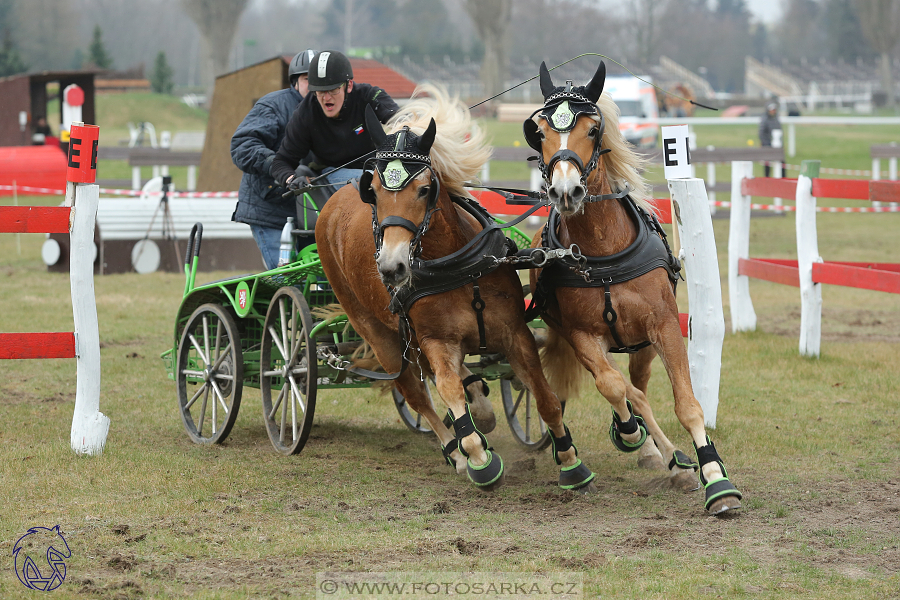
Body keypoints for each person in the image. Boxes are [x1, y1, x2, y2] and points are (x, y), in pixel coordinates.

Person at [269, 50, 400, 200]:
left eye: (333, 90)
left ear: (349, 85)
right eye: (320, 91)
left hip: (378, 167)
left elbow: (402, 119)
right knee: (376, 181)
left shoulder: (368, 95)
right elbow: (281, 162)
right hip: (332, 173)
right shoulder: (305, 113)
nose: (326, 97)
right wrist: (291, 180)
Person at [230, 48, 317, 271]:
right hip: (270, 209)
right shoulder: (273, 106)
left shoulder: (330, 112)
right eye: (309, 79)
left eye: (320, 80)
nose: (315, 85)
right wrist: (281, 168)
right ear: (295, 82)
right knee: (289, 278)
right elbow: (243, 146)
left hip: (311, 213)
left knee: (319, 282)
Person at [759, 101, 783, 177]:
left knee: (781, 163)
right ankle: (767, 178)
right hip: (768, 145)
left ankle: (783, 178)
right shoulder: (765, 120)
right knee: (767, 163)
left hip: (777, 145)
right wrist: (767, 144)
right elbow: (762, 133)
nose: (773, 111)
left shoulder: (776, 119)